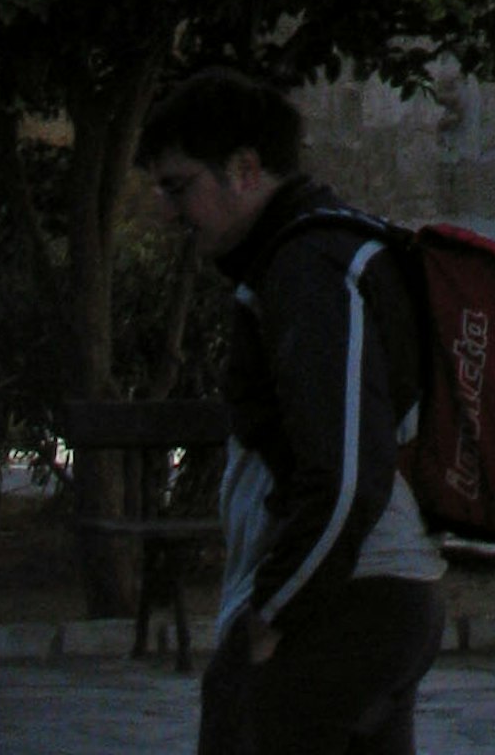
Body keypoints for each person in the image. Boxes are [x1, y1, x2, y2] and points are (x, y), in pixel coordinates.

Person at [142, 69, 446, 755]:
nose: (167, 212)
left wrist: (274, 612)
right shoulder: (316, 254)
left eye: (179, 186)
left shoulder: (309, 268)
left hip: (345, 602)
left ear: (245, 169)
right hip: (381, 598)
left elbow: (345, 474)